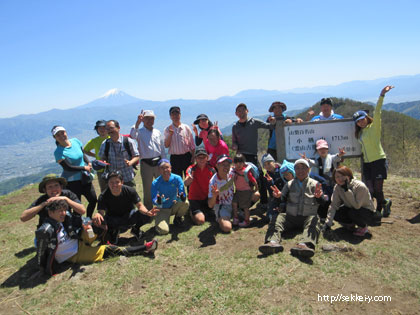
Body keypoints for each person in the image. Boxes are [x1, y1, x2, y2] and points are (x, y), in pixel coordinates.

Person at [36, 199, 158, 276]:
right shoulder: (46, 230)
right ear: (50, 213)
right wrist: (46, 270)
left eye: (63, 210)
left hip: (79, 241)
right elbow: (41, 252)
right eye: (59, 211)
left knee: (98, 223)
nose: (62, 213)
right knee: (109, 250)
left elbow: (81, 220)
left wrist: (86, 225)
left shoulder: (65, 217)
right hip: (75, 254)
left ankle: (107, 238)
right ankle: (145, 248)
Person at [258, 159, 326, 258]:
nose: (300, 171)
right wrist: (278, 196)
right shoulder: (289, 184)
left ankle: (305, 245)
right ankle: (272, 243)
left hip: (307, 217)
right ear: (294, 170)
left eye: (303, 168)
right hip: (291, 217)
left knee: (315, 219)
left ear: (308, 170)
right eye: (297, 168)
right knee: (277, 218)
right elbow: (282, 199)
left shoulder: (315, 184)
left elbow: (323, 203)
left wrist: (320, 197)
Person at [353, 85, 393, 218]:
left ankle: (378, 210)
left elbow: (378, 111)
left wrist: (382, 95)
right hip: (367, 163)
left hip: (378, 161)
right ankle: (385, 202)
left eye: (362, 119)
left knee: (377, 189)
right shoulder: (360, 133)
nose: (361, 122)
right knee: (369, 189)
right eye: (358, 122)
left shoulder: (374, 127)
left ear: (366, 117)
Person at [92, 172, 158, 244]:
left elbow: (140, 206)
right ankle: (113, 232)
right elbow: (101, 213)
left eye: (117, 182)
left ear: (122, 182)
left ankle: (136, 229)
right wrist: (98, 214)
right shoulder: (103, 196)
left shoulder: (130, 190)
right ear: (108, 183)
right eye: (111, 182)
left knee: (146, 215)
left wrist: (147, 212)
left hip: (129, 217)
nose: (114, 185)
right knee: (97, 223)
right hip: (113, 220)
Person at [231, 103, 275, 209]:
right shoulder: (235, 126)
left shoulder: (255, 122)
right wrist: (234, 145)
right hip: (241, 157)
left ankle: (264, 201)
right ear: (236, 114)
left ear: (247, 111)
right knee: (241, 179)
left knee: (259, 176)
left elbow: (270, 126)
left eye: (243, 110)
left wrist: (274, 121)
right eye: (239, 111)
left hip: (253, 155)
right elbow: (234, 141)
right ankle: (243, 202)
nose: (241, 113)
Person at [52, 125, 97, 218]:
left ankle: (88, 219)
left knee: (93, 200)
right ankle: (77, 225)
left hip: (85, 178)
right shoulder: (58, 152)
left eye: (62, 133)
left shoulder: (76, 141)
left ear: (66, 132)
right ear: (55, 138)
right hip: (72, 182)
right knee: (76, 206)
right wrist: (84, 168)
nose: (61, 136)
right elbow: (67, 167)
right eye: (58, 135)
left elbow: (82, 154)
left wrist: (88, 162)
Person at [323, 166, 375, 237]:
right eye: (337, 177)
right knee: (337, 213)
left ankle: (363, 227)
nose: (340, 179)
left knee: (353, 212)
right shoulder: (337, 187)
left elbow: (357, 206)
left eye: (343, 176)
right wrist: (328, 223)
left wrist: (347, 190)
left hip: (366, 212)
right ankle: (351, 225)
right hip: (351, 208)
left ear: (349, 176)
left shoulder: (360, 186)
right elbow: (333, 205)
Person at [130, 110, 166, 209]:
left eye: (152, 118)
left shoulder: (157, 132)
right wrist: (137, 123)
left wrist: (165, 162)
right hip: (146, 163)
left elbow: (162, 148)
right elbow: (132, 135)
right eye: (147, 118)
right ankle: (149, 209)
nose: (149, 120)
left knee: (162, 185)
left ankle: (163, 206)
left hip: (159, 162)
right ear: (143, 120)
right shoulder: (139, 132)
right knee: (148, 188)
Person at [20, 174, 86, 229]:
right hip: (49, 232)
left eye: (56, 185)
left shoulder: (67, 194)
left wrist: (66, 199)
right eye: (50, 187)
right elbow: (23, 218)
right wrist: (43, 204)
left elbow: (82, 210)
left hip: (68, 228)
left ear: (61, 186)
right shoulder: (42, 200)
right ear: (45, 190)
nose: (54, 189)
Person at [151, 159, 189, 235]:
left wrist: (181, 197)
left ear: (171, 168)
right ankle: (160, 221)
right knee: (164, 231)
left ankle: (178, 219)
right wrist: (159, 201)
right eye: (162, 168)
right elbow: (154, 199)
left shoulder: (177, 178)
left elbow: (182, 194)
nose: (165, 170)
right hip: (162, 209)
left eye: (167, 167)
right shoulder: (155, 183)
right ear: (159, 170)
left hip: (174, 205)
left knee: (185, 203)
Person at [99, 120, 140, 187]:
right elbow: (102, 158)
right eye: (107, 129)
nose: (109, 131)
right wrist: (103, 162)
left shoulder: (128, 141)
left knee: (130, 196)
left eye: (111, 128)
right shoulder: (105, 144)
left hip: (127, 176)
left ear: (118, 128)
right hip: (113, 180)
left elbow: (137, 156)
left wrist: (130, 162)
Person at [184, 147, 216, 225]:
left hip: (207, 198)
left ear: (207, 158)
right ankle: (192, 212)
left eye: (204, 157)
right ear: (195, 158)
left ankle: (203, 211)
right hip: (195, 199)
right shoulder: (191, 169)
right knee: (201, 221)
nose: (201, 159)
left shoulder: (211, 170)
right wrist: (189, 179)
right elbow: (185, 183)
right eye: (199, 157)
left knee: (215, 216)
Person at [164, 106, 195, 177]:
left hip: (187, 157)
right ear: (170, 116)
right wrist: (170, 135)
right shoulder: (167, 129)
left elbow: (192, 144)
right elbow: (166, 145)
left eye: (177, 114)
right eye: (173, 114)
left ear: (180, 115)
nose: (175, 116)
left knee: (189, 178)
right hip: (175, 158)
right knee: (177, 180)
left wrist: (193, 157)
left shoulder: (186, 128)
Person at [208, 155, 235, 233]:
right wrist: (214, 196)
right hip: (222, 205)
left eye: (227, 165)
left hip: (234, 201)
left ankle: (234, 215)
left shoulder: (232, 172)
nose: (226, 167)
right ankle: (222, 218)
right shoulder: (213, 182)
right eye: (223, 165)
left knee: (255, 195)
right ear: (217, 165)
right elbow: (210, 205)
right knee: (227, 228)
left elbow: (242, 164)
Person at [232, 153, 260, 227]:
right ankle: (236, 218)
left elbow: (254, 181)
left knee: (245, 207)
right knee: (234, 204)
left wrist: (256, 189)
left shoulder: (246, 172)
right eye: (236, 162)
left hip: (246, 191)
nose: (238, 164)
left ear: (244, 163)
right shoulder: (234, 171)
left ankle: (247, 221)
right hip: (237, 191)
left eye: (240, 162)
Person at [83, 120, 109, 192]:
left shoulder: (112, 137)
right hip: (101, 169)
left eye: (104, 127)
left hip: (113, 166)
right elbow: (85, 150)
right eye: (100, 128)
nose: (102, 130)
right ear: (97, 130)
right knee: (104, 189)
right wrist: (96, 155)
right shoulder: (94, 141)